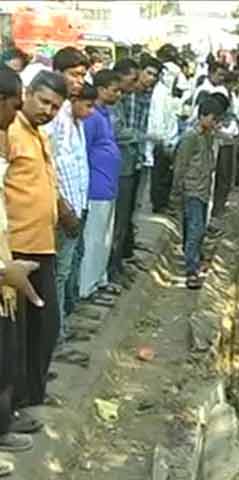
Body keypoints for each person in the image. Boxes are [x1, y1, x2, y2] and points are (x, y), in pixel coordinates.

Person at [5, 71, 66, 423]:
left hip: (43, 246)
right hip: (16, 250)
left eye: (55, 107)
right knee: (15, 337)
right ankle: (13, 407)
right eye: (43, 102)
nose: (48, 110)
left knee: (44, 326)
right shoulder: (10, 132)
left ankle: (31, 394)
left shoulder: (41, 135)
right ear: (27, 94)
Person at [0, 66, 51, 472]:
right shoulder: (10, 136)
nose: (14, 114)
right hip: (8, 262)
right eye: (14, 105)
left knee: (14, 345)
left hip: (15, 256)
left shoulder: (31, 132)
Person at [46, 47, 91, 340]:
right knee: (57, 275)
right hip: (62, 209)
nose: (79, 80)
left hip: (76, 202)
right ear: (58, 72)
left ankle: (60, 327)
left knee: (65, 271)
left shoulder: (70, 112)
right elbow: (48, 166)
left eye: (82, 75)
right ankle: (55, 335)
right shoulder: (52, 114)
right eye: (74, 74)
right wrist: (63, 209)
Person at [171, 97, 225, 289]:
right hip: (191, 187)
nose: (215, 123)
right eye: (213, 119)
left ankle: (191, 257)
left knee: (192, 226)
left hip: (202, 187)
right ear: (202, 116)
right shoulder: (190, 137)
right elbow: (180, 165)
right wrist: (176, 190)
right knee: (196, 227)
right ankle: (191, 268)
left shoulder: (208, 136)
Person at [79, 70, 122, 301]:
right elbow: (83, 152)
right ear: (101, 89)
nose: (118, 94)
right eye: (115, 90)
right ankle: (87, 288)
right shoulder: (91, 117)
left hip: (108, 186)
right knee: (94, 239)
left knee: (104, 237)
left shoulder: (105, 114)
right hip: (96, 188)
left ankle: (99, 280)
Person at [110, 58, 144, 286]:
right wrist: (140, 135)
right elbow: (118, 131)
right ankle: (112, 270)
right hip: (119, 170)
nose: (135, 84)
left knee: (123, 222)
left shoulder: (121, 100)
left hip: (128, 166)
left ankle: (118, 265)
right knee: (117, 224)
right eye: (132, 79)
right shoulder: (112, 102)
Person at [146, 55, 180, 214]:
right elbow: (158, 118)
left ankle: (163, 203)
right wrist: (163, 140)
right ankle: (159, 205)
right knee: (160, 175)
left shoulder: (166, 92)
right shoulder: (159, 93)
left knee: (165, 173)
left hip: (168, 139)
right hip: (161, 141)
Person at [133, 56, 162, 210]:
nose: (151, 78)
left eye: (155, 75)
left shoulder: (152, 96)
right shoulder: (129, 95)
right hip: (129, 150)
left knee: (137, 200)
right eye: (149, 73)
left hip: (143, 152)